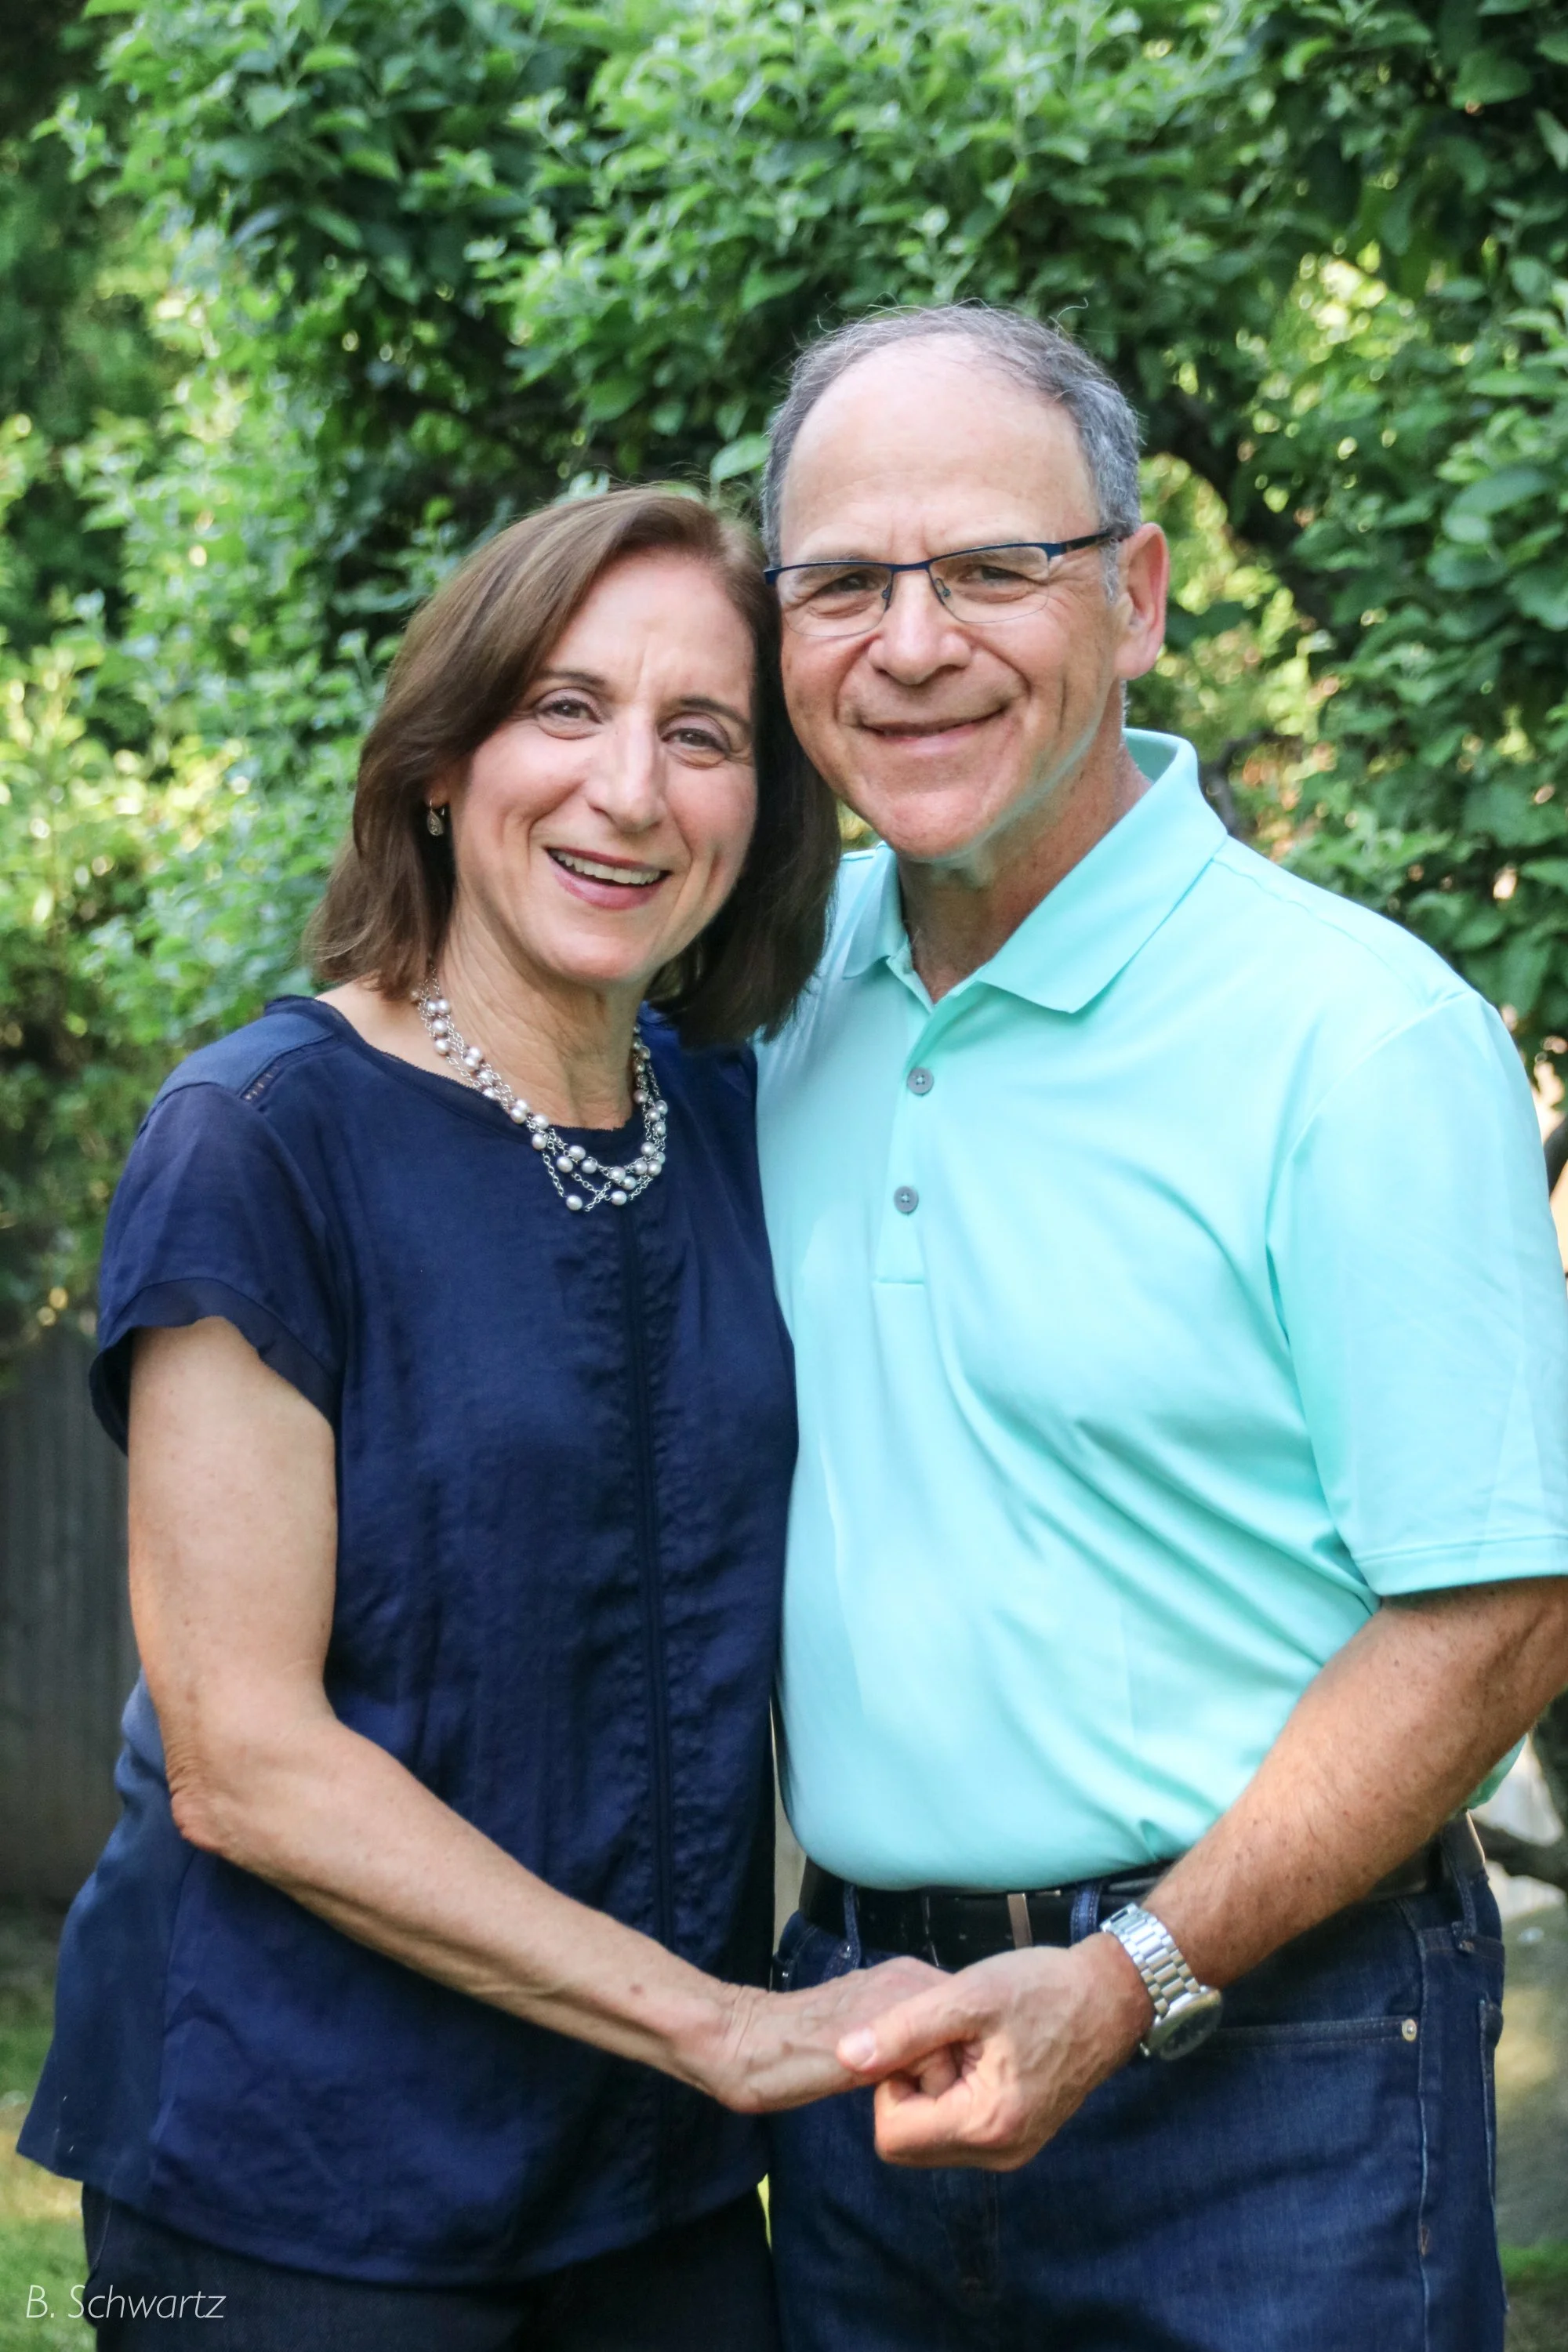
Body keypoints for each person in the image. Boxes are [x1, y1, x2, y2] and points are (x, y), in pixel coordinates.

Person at [21, 486, 935, 2351]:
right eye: (564, 707)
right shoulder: (261, 1140)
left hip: (650, 2175)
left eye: (703, 735)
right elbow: (244, 1760)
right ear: (442, 764)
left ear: (758, 812)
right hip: (299, 2174)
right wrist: (718, 2021)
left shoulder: (742, 1133)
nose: (628, 790)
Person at [753, 305, 1568, 2352]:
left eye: (988, 570)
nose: (910, 641)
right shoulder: (757, 1007)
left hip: (1269, 2057)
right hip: (861, 2041)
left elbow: (1499, 1609)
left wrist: (1129, 1988)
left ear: (1134, 597)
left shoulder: (1356, 1039)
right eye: (843, 581)